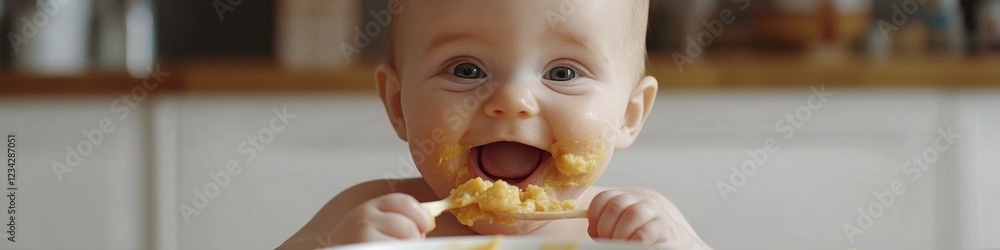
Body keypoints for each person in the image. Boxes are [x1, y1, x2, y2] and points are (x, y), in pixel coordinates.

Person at [279, 1, 710, 249]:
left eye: (562, 74)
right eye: (466, 70)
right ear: (398, 105)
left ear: (629, 115)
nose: (512, 101)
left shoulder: (635, 225)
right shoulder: (369, 212)